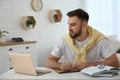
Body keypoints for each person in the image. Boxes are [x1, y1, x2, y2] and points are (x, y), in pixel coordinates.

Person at [45, 9, 119, 71]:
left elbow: (116, 63)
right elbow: (48, 62)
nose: (69, 29)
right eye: (69, 24)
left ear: (84, 25)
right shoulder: (64, 40)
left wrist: (90, 65)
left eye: (73, 25)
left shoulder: (100, 40)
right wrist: (60, 65)